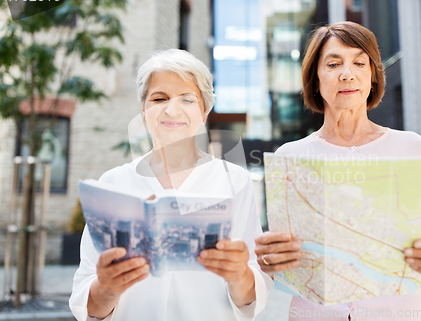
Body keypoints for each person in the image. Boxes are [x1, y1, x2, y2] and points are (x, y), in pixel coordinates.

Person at [254, 21, 421, 321]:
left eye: (359, 63)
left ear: (373, 77)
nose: (347, 73)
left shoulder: (411, 148)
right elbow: (284, 269)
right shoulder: (291, 157)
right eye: (334, 63)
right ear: (315, 79)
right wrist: (271, 259)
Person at [69, 49, 273, 321]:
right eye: (159, 98)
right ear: (144, 111)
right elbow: (88, 305)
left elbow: (252, 296)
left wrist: (239, 276)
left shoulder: (234, 181)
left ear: (204, 111)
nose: (172, 109)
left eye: (187, 99)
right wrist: (107, 288)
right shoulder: (113, 184)